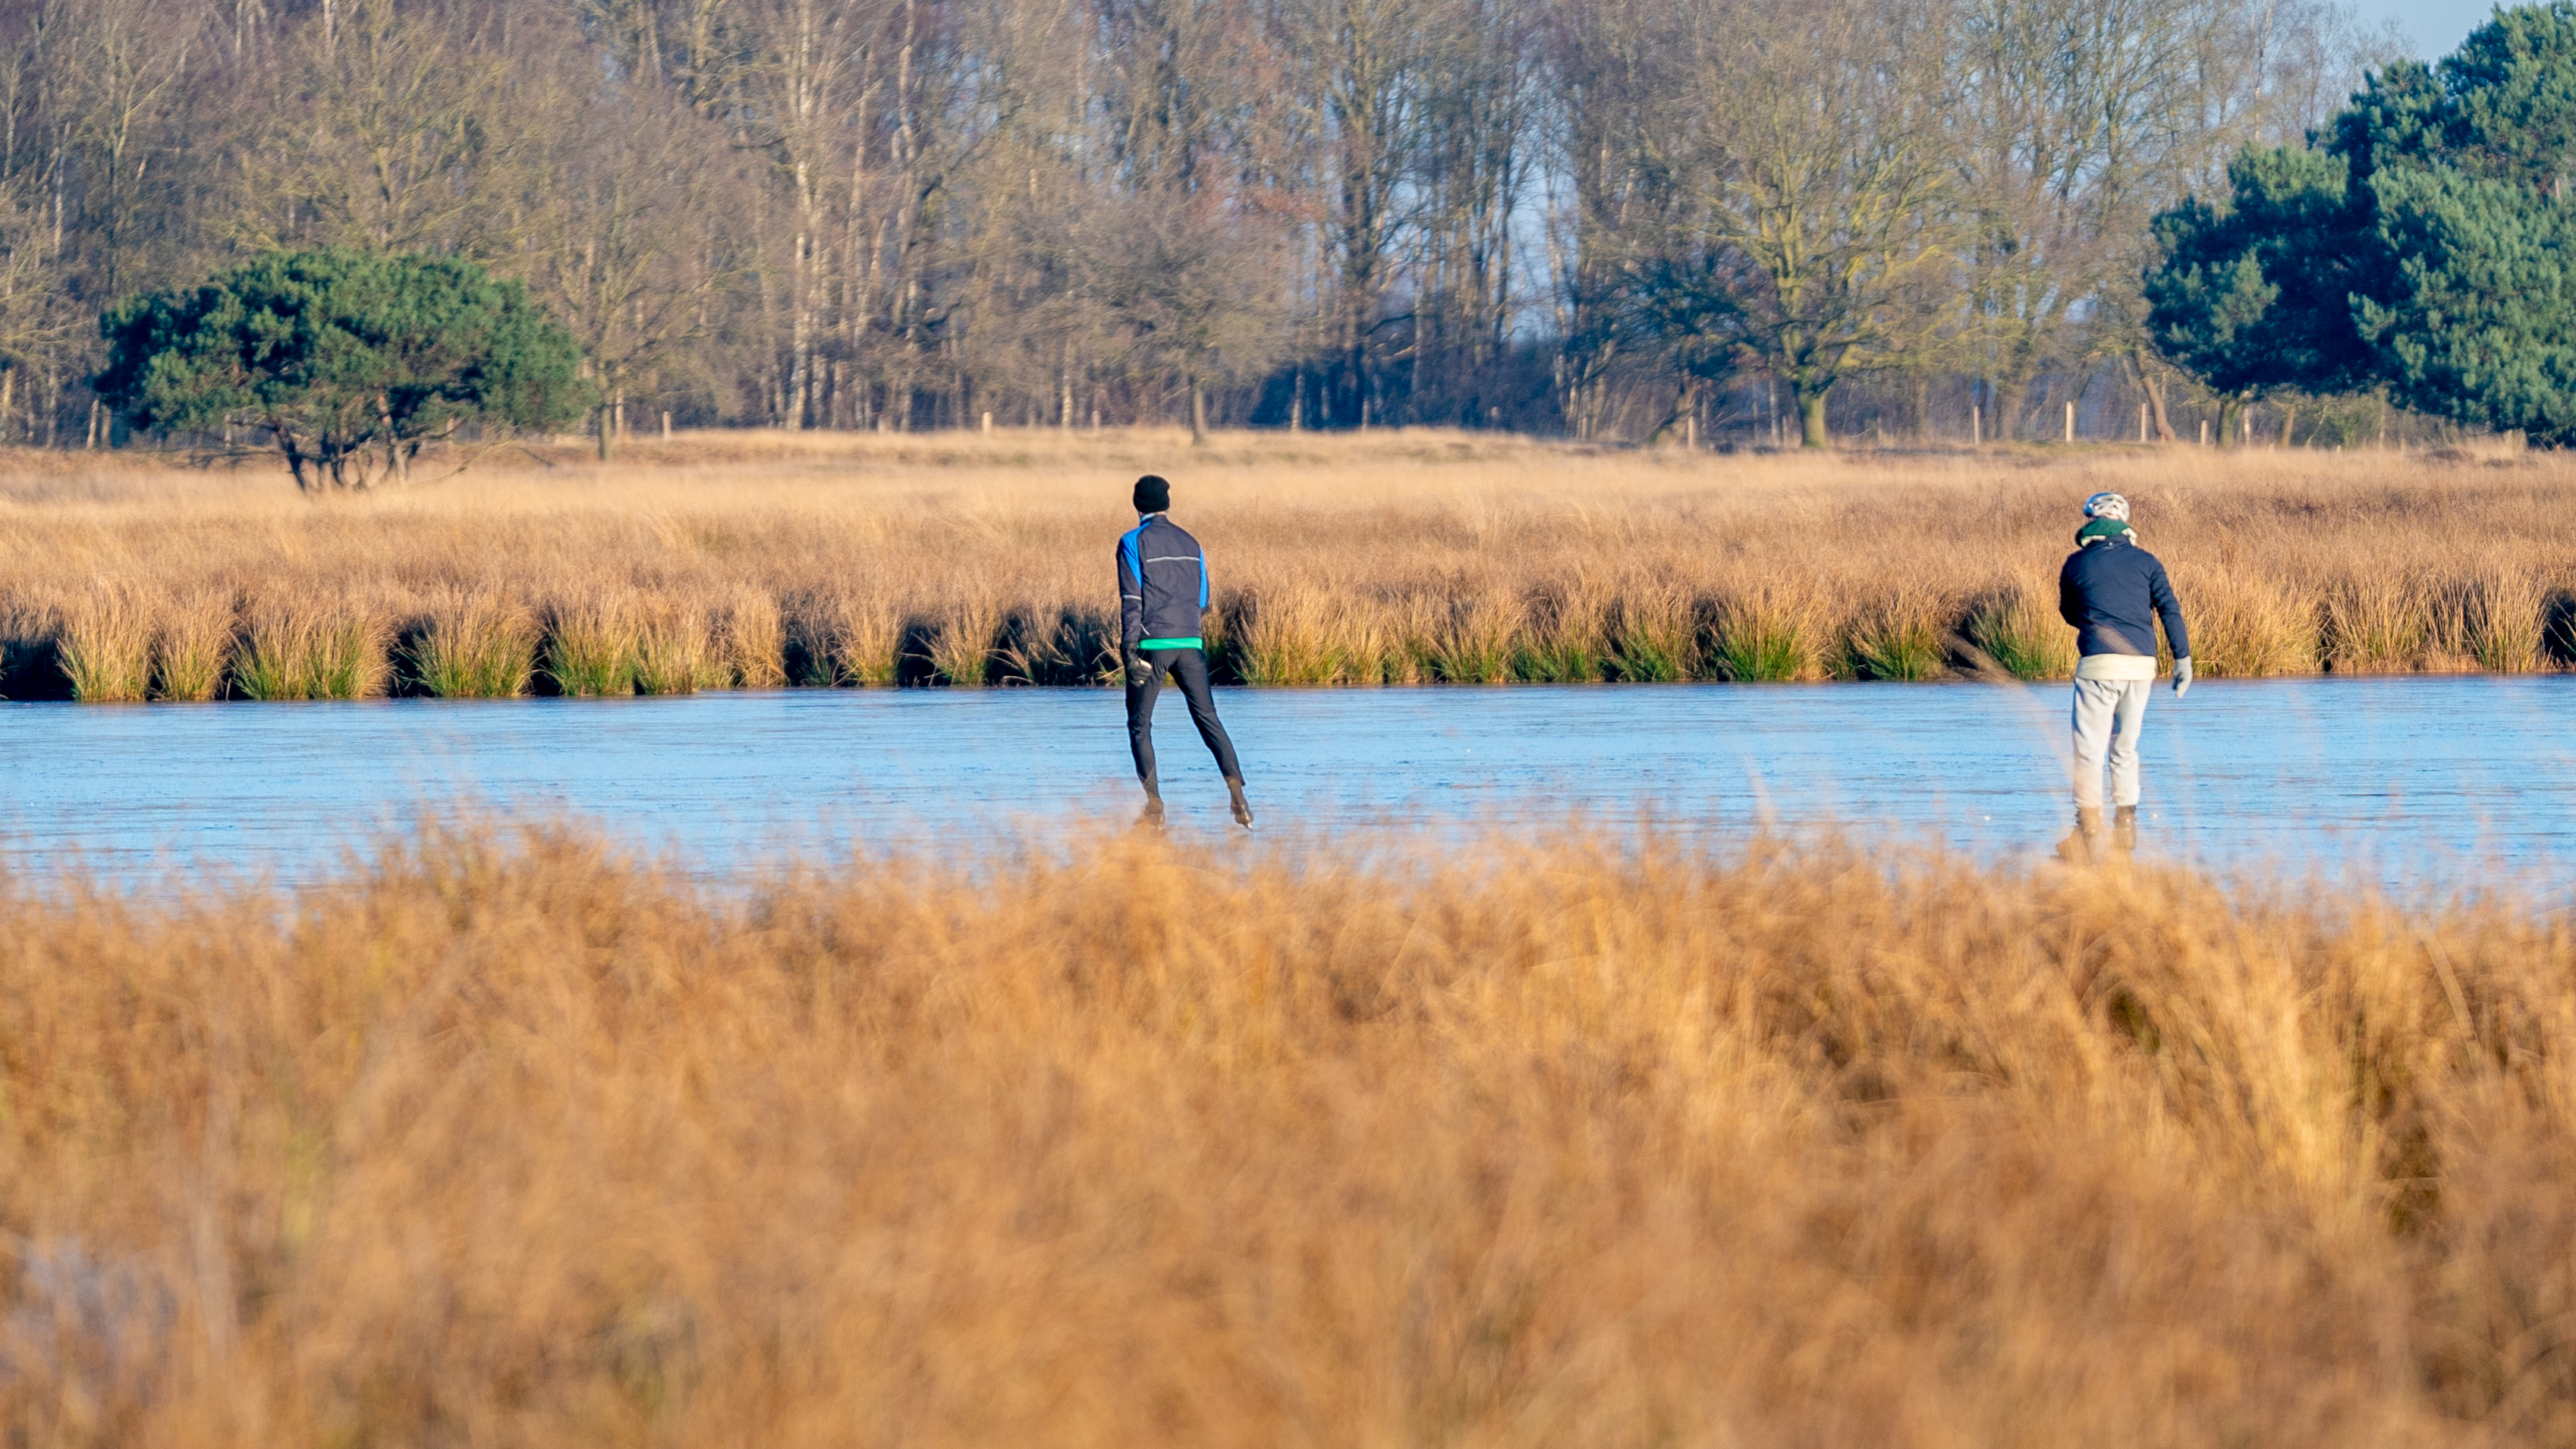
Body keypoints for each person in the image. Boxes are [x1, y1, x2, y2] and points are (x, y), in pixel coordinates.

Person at [2056, 491, 2190, 860]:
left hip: (2098, 666)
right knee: (2125, 747)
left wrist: (2093, 622)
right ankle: (2126, 827)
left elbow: (2069, 612)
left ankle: (2087, 832)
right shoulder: (2147, 561)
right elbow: (2169, 609)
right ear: (2124, 525)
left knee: (2089, 750)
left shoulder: (2076, 563)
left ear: (2091, 523)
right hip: (2141, 666)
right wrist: (2183, 658)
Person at [1118, 474, 1252, 828]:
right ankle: (1238, 797)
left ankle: (1154, 807)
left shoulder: (1132, 542)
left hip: (1151, 646)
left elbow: (1131, 600)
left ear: (1137, 504)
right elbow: (1204, 601)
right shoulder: (1192, 542)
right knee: (1208, 718)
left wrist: (1128, 651)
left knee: (1139, 725)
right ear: (1167, 504)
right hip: (1191, 644)